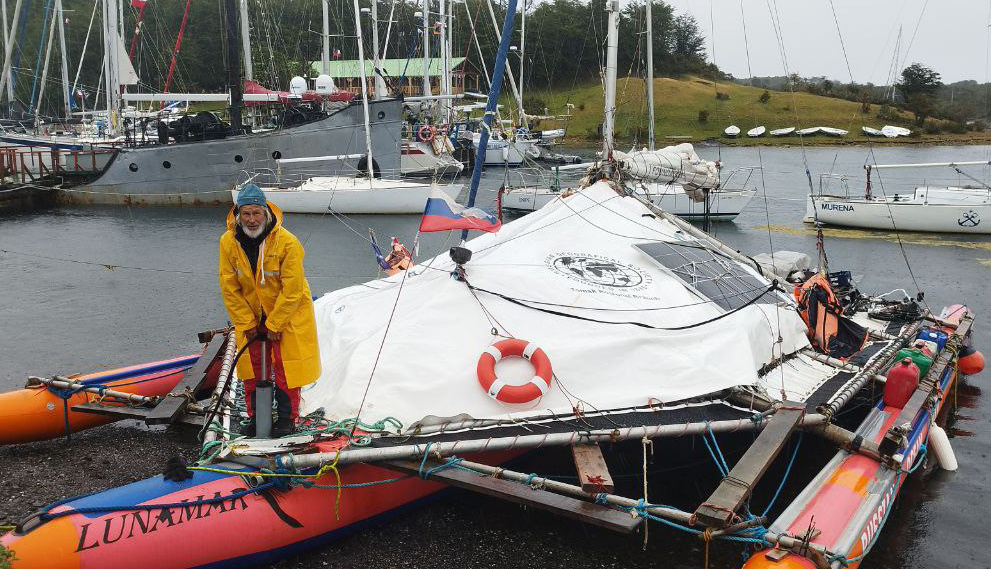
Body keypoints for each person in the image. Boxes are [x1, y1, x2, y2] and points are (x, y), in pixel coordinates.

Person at [218, 184, 321, 437]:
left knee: (286, 370)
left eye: (256, 214)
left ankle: (287, 419)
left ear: (265, 212)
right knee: (252, 370)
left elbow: (293, 290)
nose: (252, 220)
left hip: (287, 316)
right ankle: (256, 418)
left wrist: (275, 324)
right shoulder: (228, 242)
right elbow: (229, 286)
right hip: (251, 317)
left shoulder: (287, 243)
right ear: (238, 214)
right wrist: (247, 322)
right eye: (246, 214)